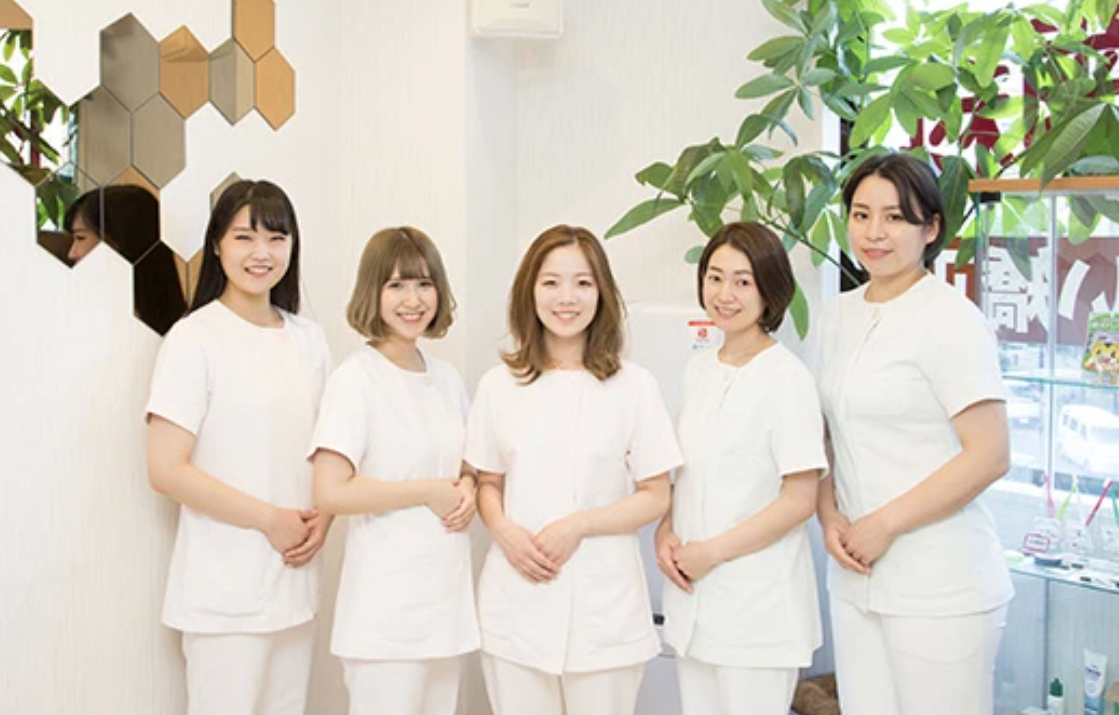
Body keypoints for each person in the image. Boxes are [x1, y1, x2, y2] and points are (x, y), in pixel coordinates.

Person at [815, 153, 1013, 715]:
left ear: (931, 229)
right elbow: (826, 433)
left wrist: (884, 524)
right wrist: (829, 515)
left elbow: (990, 455)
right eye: (861, 214)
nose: (874, 232)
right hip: (855, 577)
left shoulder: (951, 319)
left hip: (941, 582)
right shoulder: (837, 315)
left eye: (896, 217)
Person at [466, 225, 683, 715]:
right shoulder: (499, 385)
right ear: (529, 291)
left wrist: (579, 525)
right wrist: (503, 531)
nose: (567, 297)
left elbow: (656, 494)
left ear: (601, 292)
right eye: (551, 282)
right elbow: (488, 482)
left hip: (604, 611)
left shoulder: (634, 386)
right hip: (516, 600)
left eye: (583, 283)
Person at [145, 180, 333, 715]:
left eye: (276, 238)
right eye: (244, 237)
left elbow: (330, 451)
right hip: (223, 592)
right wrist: (269, 520)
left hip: (295, 583)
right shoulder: (193, 338)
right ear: (217, 245)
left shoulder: (309, 339)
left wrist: (325, 519)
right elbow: (165, 469)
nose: (261, 253)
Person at [656, 221, 826, 715]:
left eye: (742, 281)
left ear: (769, 290)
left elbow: (800, 500)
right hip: (694, 599)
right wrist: (666, 529)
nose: (724, 294)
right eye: (715, 277)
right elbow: (687, 476)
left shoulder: (788, 378)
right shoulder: (700, 368)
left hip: (758, 610)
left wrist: (711, 552)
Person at [309, 227, 479, 715]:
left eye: (424, 284)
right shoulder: (355, 379)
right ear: (373, 292)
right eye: (397, 285)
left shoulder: (446, 378)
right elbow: (330, 491)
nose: (413, 299)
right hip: (385, 613)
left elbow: (466, 462)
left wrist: (468, 486)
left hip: (444, 603)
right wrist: (426, 491)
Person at [65, 184, 188, 334]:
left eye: (80, 237)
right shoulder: (79, 319)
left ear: (119, 241)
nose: (72, 254)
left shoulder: (185, 334)